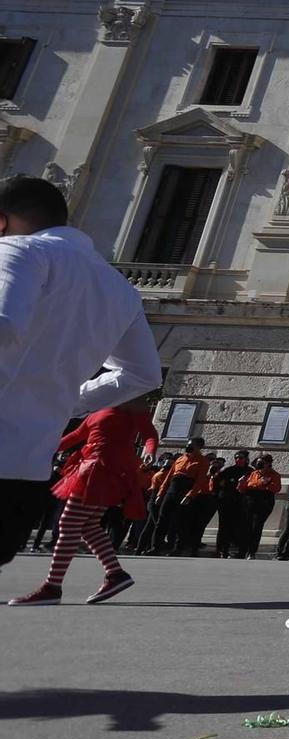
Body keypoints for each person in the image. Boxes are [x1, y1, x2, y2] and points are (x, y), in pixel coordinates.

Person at [0, 175, 163, 574]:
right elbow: (142, 374)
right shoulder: (118, 287)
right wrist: (61, 398)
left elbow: (4, 325)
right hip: (26, 471)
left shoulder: (17, 252)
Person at [9, 390, 158, 605]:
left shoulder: (132, 399)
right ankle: (116, 574)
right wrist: (42, 449)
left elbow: (149, 433)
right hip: (91, 468)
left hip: (105, 469)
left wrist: (150, 451)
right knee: (88, 526)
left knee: (69, 523)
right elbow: (78, 435)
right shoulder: (100, 404)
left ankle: (52, 586)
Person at [238, 455, 284, 558]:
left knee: (256, 526)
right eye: (258, 462)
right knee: (246, 526)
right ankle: (242, 550)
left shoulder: (274, 475)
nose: (259, 464)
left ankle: (251, 551)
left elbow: (276, 488)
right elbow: (245, 487)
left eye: (262, 462)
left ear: (268, 463)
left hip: (264, 501)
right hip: (250, 500)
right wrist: (241, 484)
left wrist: (265, 484)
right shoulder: (254, 473)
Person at [213, 449, 251, 557]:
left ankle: (236, 548)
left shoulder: (249, 471)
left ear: (246, 459)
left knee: (238, 526)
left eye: (241, 458)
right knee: (224, 526)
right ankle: (221, 549)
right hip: (226, 501)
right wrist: (219, 494)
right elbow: (216, 480)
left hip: (241, 502)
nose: (238, 460)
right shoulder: (228, 470)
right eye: (236, 457)